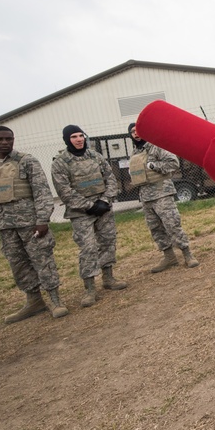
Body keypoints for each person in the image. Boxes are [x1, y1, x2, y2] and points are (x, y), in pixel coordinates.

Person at [0, 126, 68, 322]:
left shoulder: (27, 161)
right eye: (0, 139)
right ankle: (34, 301)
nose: (4, 143)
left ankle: (55, 301)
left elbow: (42, 192)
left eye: (8, 139)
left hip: (31, 224)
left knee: (42, 261)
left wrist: (42, 219)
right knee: (18, 265)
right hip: (6, 228)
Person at [50, 124, 127, 307]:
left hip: (103, 207)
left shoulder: (96, 156)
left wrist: (105, 200)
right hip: (81, 213)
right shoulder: (60, 162)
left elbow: (110, 178)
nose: (78, 139)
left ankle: (108, 279)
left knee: (108, 241)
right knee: (88, 248)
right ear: (67, 140)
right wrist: (90, 206)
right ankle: (90, 289)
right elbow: (64, 191)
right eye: (74, 137)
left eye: (80, 136)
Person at [128, 122, 200, 272]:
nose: (135, 133)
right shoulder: (135, 154)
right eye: (132, 132)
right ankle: (169, 257)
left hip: (162, 193)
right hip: (146, 197)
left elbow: (173, 163)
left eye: (137, 130)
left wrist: (154, 166)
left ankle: (187, 254)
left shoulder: (156, 146)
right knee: (156, 228)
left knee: (172, 224)